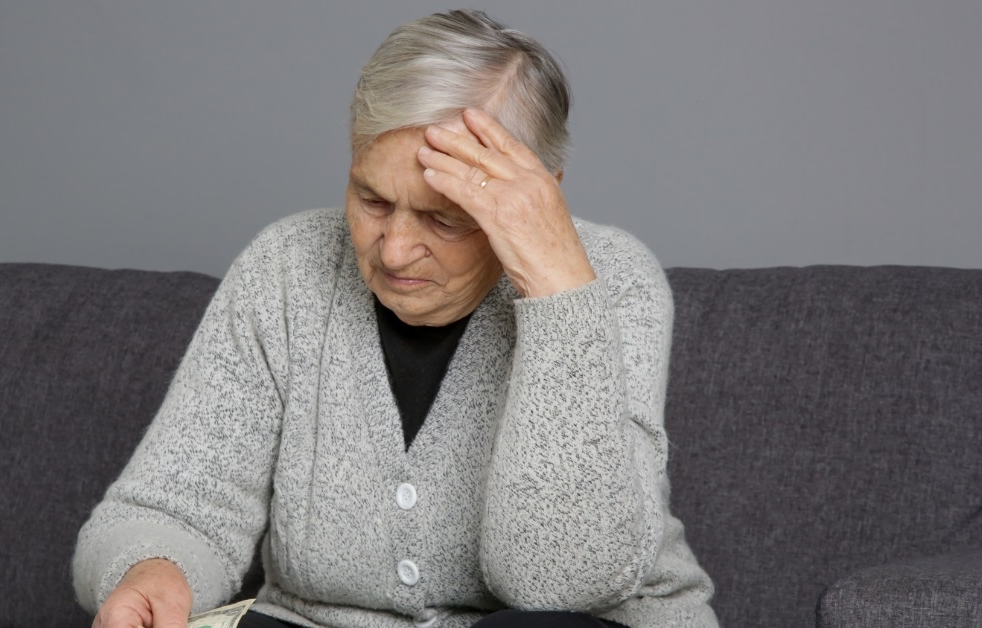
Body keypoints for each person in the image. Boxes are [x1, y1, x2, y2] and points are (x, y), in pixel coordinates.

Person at [73, 10, 717, 628]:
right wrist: (153, 571)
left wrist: (555, 287)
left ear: (538, 192)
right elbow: (171, 507)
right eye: (372, 199)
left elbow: (560, 588)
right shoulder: (285, 268)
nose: (395, 250)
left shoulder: (612, 279)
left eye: (445, 217)